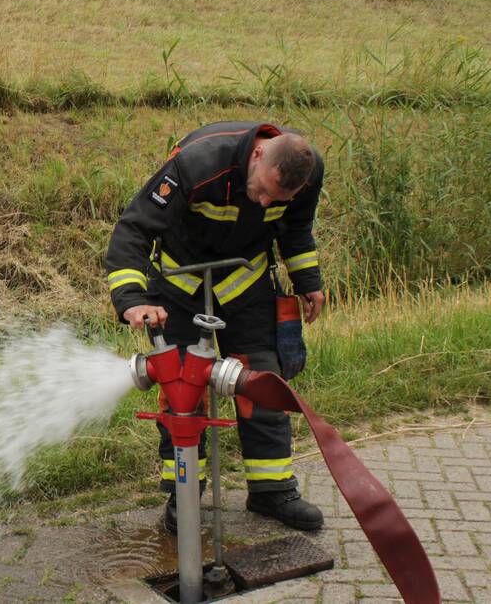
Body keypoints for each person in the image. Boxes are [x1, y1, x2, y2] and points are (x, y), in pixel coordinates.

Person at [105, 121, 326, 532]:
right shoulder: (197, 162)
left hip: (245, 282)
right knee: (182, 393)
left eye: (275, 200)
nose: (262, 203)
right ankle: (184, 496)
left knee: (263, 382)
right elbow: (135, 228)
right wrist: (134, 301)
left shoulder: (306, 172)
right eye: (260, 191)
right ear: (258, 155)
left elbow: (296, 229)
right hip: (180, 286)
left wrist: (308, 282)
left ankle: (272, 490)